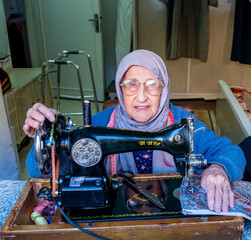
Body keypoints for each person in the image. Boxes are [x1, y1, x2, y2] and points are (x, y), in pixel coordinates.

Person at [23, 49, 246, 213]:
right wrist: (44, 137)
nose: (141, 96)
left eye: (152, 83)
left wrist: (218, 168)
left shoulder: (181, 122)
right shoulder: (100, 125)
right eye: (131, 84)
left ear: (164, 87)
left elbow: (231, 152)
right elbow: (39, 172)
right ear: (120, 88)